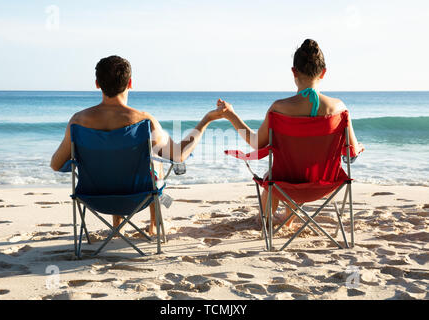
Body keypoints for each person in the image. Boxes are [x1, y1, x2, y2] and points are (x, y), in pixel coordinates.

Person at [51, 55, 223, 235]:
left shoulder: (78, 121)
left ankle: (118, 225)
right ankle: (155, 225)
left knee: (113, 163)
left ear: (97, 84)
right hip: (139, 197)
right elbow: (179, 155)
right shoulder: (144, 120)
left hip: (93, 197)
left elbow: (56, 164)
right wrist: (206, 120)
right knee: (156, 161)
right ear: (130, 82)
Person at [216, 39, 365, 228]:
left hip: (283, 186)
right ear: (324, 72)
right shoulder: (340, 109)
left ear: (294, 72)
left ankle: (266, 221)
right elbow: (351, 152)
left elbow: (256, 143)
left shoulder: (279, 108)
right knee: (295, 172)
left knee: (272, 178)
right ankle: (288, 220)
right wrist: (359, 148)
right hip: (325, 185)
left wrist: (231, 115)